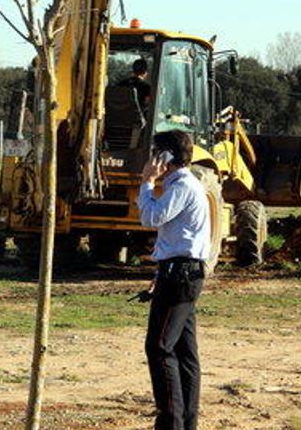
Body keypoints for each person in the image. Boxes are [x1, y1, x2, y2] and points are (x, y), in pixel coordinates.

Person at [136, 130, 210, 430]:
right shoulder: (184, 185)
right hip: (180, 272)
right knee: (183, 351)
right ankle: (186, 423)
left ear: (165, 157)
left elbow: (150, 218)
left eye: (156, 153)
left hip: (179, 275)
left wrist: (146, 183)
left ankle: (171, 423)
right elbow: (175, 236)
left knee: (159, 347)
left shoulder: (181, 186)